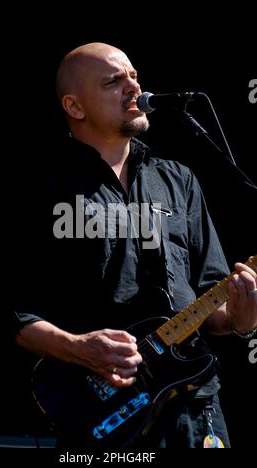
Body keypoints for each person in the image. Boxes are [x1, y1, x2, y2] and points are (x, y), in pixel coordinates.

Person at [13, 42, 257, 449]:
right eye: (113, 81)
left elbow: (214, 306)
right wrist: (78, 348)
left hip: (194, 406)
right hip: (105, 414)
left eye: (133, 76)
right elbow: (16, 314)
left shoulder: (178, 180)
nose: (133, 87)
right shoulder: (42, 187)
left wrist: (242, 318)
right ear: (75, 107)